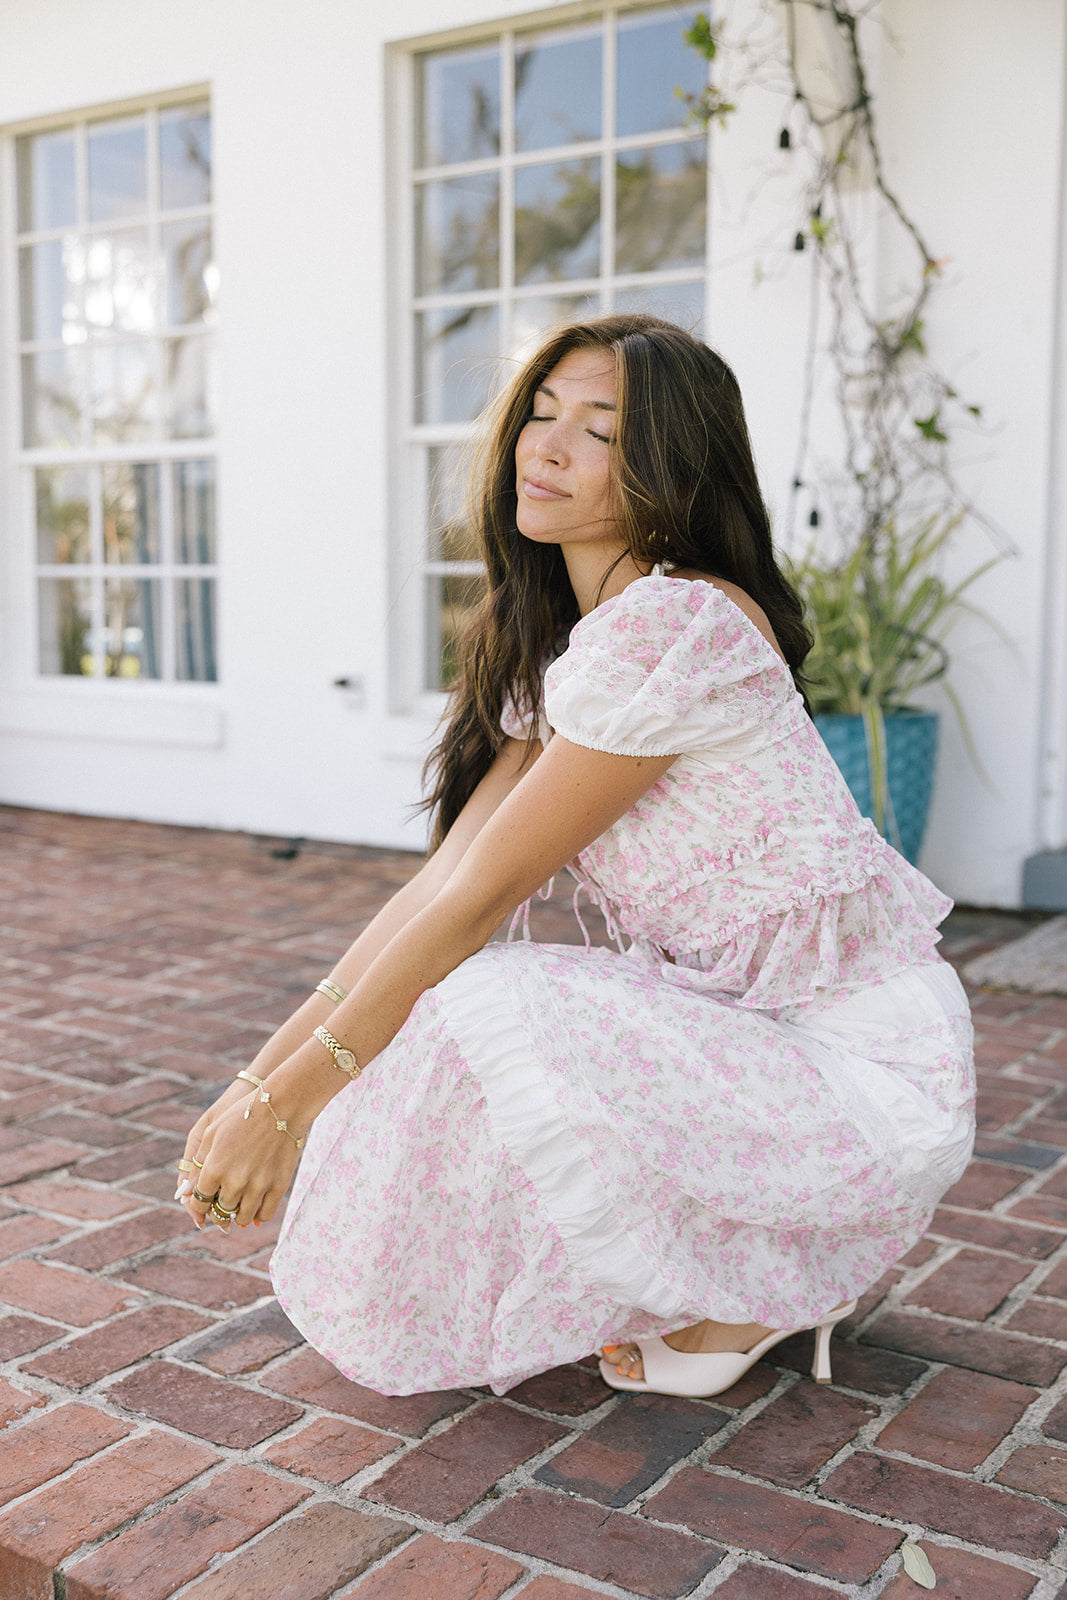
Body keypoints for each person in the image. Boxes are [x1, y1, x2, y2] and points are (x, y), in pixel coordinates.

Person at [177, 314, 974, 1400]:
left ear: (669, 472)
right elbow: (438, 884)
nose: (543, 447)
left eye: (596, 429)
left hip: (859, 1070)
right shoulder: (568, 651)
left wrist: (288, 1107)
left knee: (493, 998)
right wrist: (255, 1086)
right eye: (539, 415)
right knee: (451, 1001)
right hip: (750, 1031)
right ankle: (769, 1275)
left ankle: (773, 1276)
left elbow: (480, 905)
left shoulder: (672, 628)